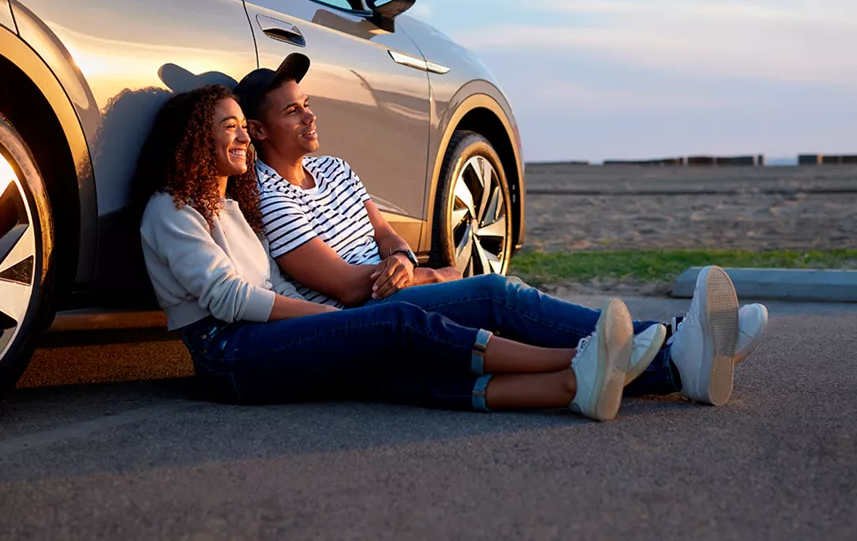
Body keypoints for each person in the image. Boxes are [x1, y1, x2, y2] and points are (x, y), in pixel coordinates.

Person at [237, 54, 770, 407]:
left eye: (307, 104)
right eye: (292, 111)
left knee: (509, 310)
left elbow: (385, 234)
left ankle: (678, 363)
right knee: (496, 294)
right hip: (366, 317)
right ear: (259, 131)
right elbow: (347, 287)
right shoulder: (269, 194)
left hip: (396, 288)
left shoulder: (335, 169)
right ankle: (680, 344)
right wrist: (425, 275)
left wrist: (404, 260)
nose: (309, 117)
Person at [136, 83, 664, 421]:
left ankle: (580, 385)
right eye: (229, 128)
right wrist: (326, 319)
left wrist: (352, 305)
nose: (243, 141)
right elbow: (229, 299)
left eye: (242, 130)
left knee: (394, 371)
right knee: (395, 325)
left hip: (261, 339)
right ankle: (580, 357)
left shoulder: (231, 207)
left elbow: (270, 284)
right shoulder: (170, 210)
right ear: (191, 140)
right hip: (227, 353)